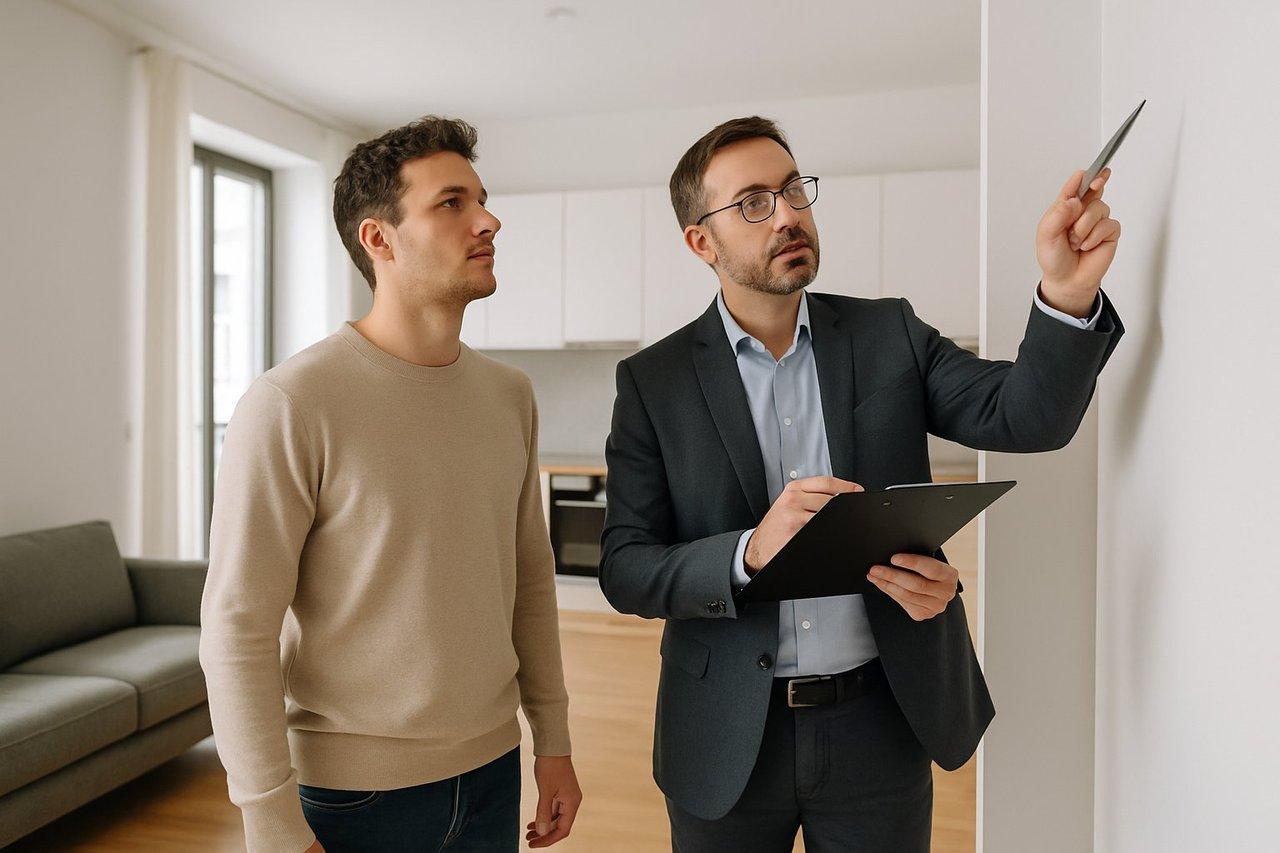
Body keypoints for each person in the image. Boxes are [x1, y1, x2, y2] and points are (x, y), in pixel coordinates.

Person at [599, 116, 1124, 851]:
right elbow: (625, 566)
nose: (786, 214)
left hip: (881, 723)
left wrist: (1065, 295)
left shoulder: (891, 335)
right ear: (701, 241)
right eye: (753, 201)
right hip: (722, 733)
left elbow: (1025, 418)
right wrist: (748, 551)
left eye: (792, 190)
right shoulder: (653, 383)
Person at [199, 116, 582, 853]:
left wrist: (553, 740)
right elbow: (239, 625)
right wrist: (270, 819)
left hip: (494, 770)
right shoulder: (292, 402)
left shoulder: (509, 394)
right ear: (380, 238)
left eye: (482, 198)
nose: (488, 219)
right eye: (452, 203)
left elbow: (530, 579)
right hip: (352, 797)